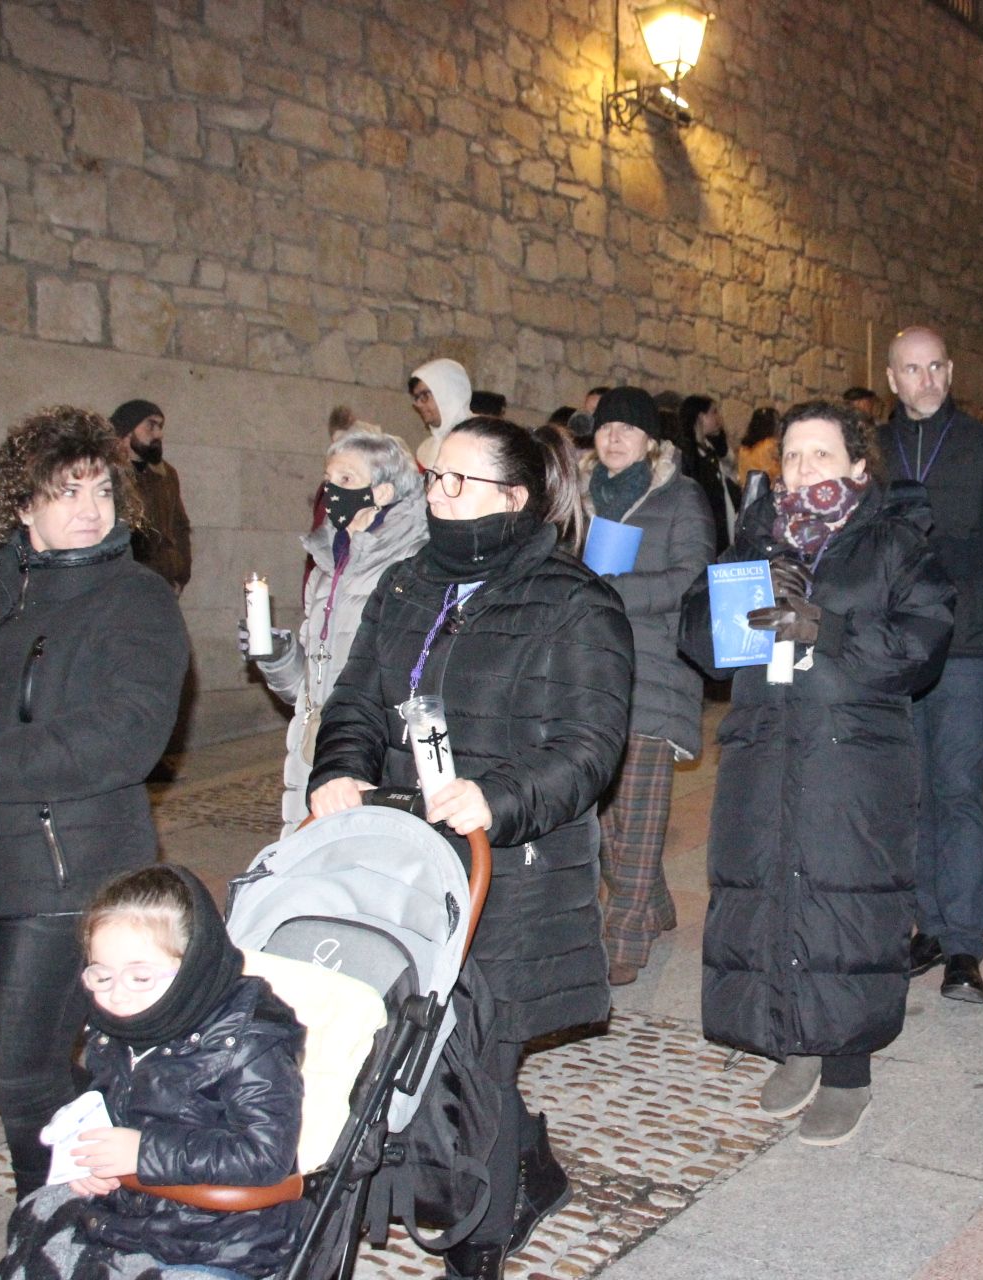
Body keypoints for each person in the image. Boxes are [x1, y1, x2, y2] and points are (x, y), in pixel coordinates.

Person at [307, 417, 632, 1279]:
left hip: (509, 872)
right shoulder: (409, 584)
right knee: (400, 1044)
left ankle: (475, 1247)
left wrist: (497, 796)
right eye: (433, 478)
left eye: (458, 481)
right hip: (404, 860)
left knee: (474, 1066)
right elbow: (358, 699)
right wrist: (337, 770)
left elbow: (589, 748)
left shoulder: (574, 601)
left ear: (514, 499)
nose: (437, 494)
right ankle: (524, 1156)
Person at [0, 406, 189, 1199]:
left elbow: (126, 734)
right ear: (21, 506)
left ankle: (52, 1230)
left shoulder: (136, 599)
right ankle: (119, 1125)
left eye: (101, 491)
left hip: (69, 869)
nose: (90, 509)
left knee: (24, 1074)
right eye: (66, 492)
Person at [681, 401, 953, 1146]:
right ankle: (794, 1041)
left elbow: (923, 642)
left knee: (847, 899)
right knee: (772, 891)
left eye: (821, 455)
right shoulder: (756, 536)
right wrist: (737, 604)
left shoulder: (894, 538)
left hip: (853, 755)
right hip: (765, 746)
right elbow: (700, 641)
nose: (802, 470)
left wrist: (824, 628)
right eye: (791, 457)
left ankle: (847, 1070)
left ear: (858, 468)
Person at [0, 864, 305, 1280]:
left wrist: (141, 1152)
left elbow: (265, 1156)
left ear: (193, 964)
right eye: (100, 975)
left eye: (140, 976)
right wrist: (89, 1162)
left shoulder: (250, 1042)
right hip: (123, 1219)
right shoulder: (116, 1029)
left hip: (220, 1241)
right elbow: (109, 1110)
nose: (116, 993)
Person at [878, 326, 983, 1004]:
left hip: (964, 640)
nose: (926, 380)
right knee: (909, 794)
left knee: (958, 792)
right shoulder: (874, 452)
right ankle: (925, 923)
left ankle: (964, 945)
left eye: (936, 366)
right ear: (892, 379)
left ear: (950, 370)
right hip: (895, 644)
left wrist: (928, 549)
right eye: (913, 369)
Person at [577, 387, 714, 986]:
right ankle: (653, 903)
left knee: (638, 810)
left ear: (650, 441)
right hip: (588, 671)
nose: (612, 437)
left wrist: (611, 589)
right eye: (605, 428)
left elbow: (691, 577)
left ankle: (625, 935)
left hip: (656, 668)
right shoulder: (580, 498)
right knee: (600, 812)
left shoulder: (681, 497)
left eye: (625, 429)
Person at [248, 427, 427, 833]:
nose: (331, 492)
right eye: (328, 480)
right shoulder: (327, 571)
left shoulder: (406, 573)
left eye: (346, 480)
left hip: (366, 763)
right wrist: (279, 657)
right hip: (312, 762)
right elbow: (309, 691)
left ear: (381, 493)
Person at [109, 400, 192, 593]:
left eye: (160, 426)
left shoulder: (167, 475)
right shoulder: (107, 472)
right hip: (122, 584)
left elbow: (180, 526)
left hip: (164, 582)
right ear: (127, 430)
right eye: (151, 425)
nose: (159, 434)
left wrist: (180, 574)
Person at [677, 393, 739, 552]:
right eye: (714, 412)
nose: (719, 418)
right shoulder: (687, 455)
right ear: (700, 417)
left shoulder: (711, 450)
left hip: (721, 525)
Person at [409, 357, 474, 469]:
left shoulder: (478, 443)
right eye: (416, 397)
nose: (418, 404)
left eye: (424, 396)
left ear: (447, 394)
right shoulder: (425, 449)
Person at [736, 406, 781, 482]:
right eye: (777, 422)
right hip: (768, 490)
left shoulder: (743, 449)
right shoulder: (770, 445)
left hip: (748, 490)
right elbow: (778, 473)